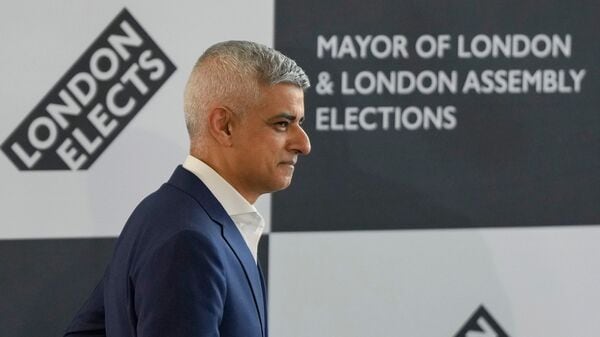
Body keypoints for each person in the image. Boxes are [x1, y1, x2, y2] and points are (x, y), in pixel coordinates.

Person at [64, 40, 311, 337]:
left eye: (300, 122)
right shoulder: (189, 241)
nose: (303, 144)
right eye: (282, 124)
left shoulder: (163, 212)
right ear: (224, 126)